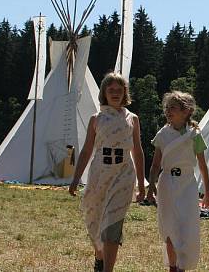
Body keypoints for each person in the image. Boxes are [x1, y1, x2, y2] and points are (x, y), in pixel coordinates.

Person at [69, 72, 145, 272]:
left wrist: (142, 184)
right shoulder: (96, 119)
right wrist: (75, 180)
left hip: (123, 176)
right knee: (95, 222)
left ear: (124, 93)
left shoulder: (132, 119)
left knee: (112, 223)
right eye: (111, 90)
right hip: (99, 176)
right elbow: (86, 150)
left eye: (119, 90)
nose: (115, 93)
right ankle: (99, 256)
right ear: (104, 92)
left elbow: (137, 150)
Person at [146, 91, 209, 272]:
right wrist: (151, 188)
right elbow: (155, 165)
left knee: (186, 226)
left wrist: (207, 192)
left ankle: (183, 265)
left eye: (173, 107)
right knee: (168, 228)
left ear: (186, 111)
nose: (168, 111)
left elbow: (203, 165)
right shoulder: (162, 134)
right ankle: (173, 267)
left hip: (187, 184)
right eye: (166, 107)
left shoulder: (194, 135)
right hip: (167, 183)